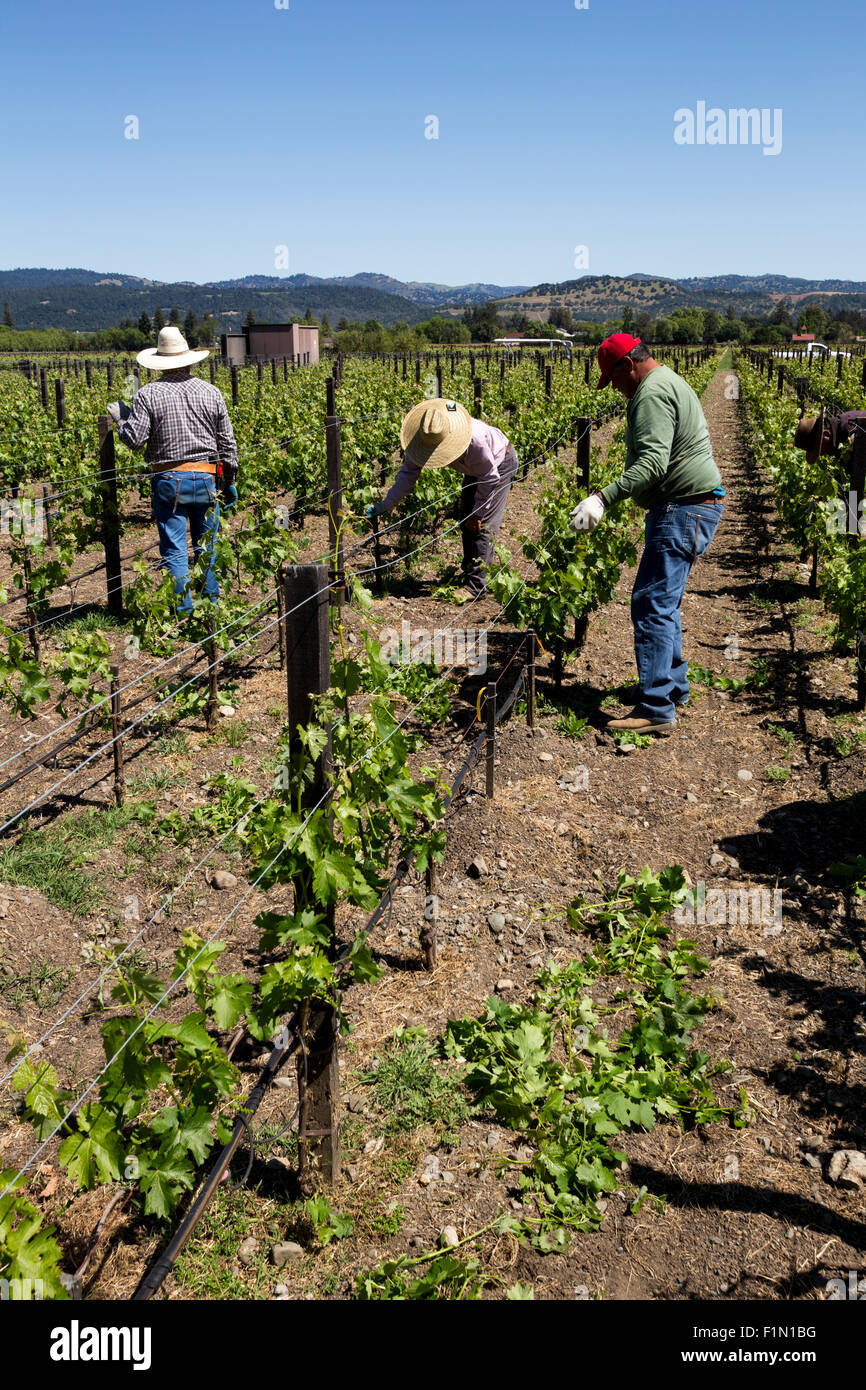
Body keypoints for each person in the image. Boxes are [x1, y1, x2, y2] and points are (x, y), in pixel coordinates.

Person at [569, 334, 725, 735]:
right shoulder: (668, 379)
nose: (617, 390)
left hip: (681, 508)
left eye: (614, 380)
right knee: (664, 602)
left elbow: (654, 464)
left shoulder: (650, 394)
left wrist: (602, 498)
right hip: (694, 506)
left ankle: (655, 706)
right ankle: (671, 688)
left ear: (627, 365)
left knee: (651, 603)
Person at [106, 326, 239, 614]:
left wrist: (122, 419)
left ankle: (184, 612)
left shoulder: (148, 394)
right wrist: (229, 480)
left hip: (168, 481)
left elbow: (134, 439)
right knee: (207, 548)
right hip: (206, 478)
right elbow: (228, 444)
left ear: (160, 362)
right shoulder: (211, 391)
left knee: (174, 552)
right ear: (189, 359)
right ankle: (210, 610)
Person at [367, 398, 519, 602]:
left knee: (482, 524)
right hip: (476, 469)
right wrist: (386, 504)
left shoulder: (474, 441)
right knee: (466, 516)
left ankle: (475, 586)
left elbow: (490, 478)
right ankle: (470, 571)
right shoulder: (422, 438)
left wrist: (478, 513)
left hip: (499, 465)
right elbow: (407, 475)